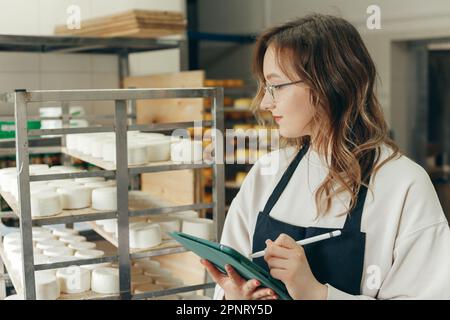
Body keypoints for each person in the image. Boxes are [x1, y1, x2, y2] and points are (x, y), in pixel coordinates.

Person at [201, 14, 450, 300]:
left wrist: (317, 294)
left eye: (276, 85)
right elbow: (227, 281)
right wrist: (235, 299)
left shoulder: (404, 184)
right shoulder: (266, 173)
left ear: (329, 84)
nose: (266, 102)